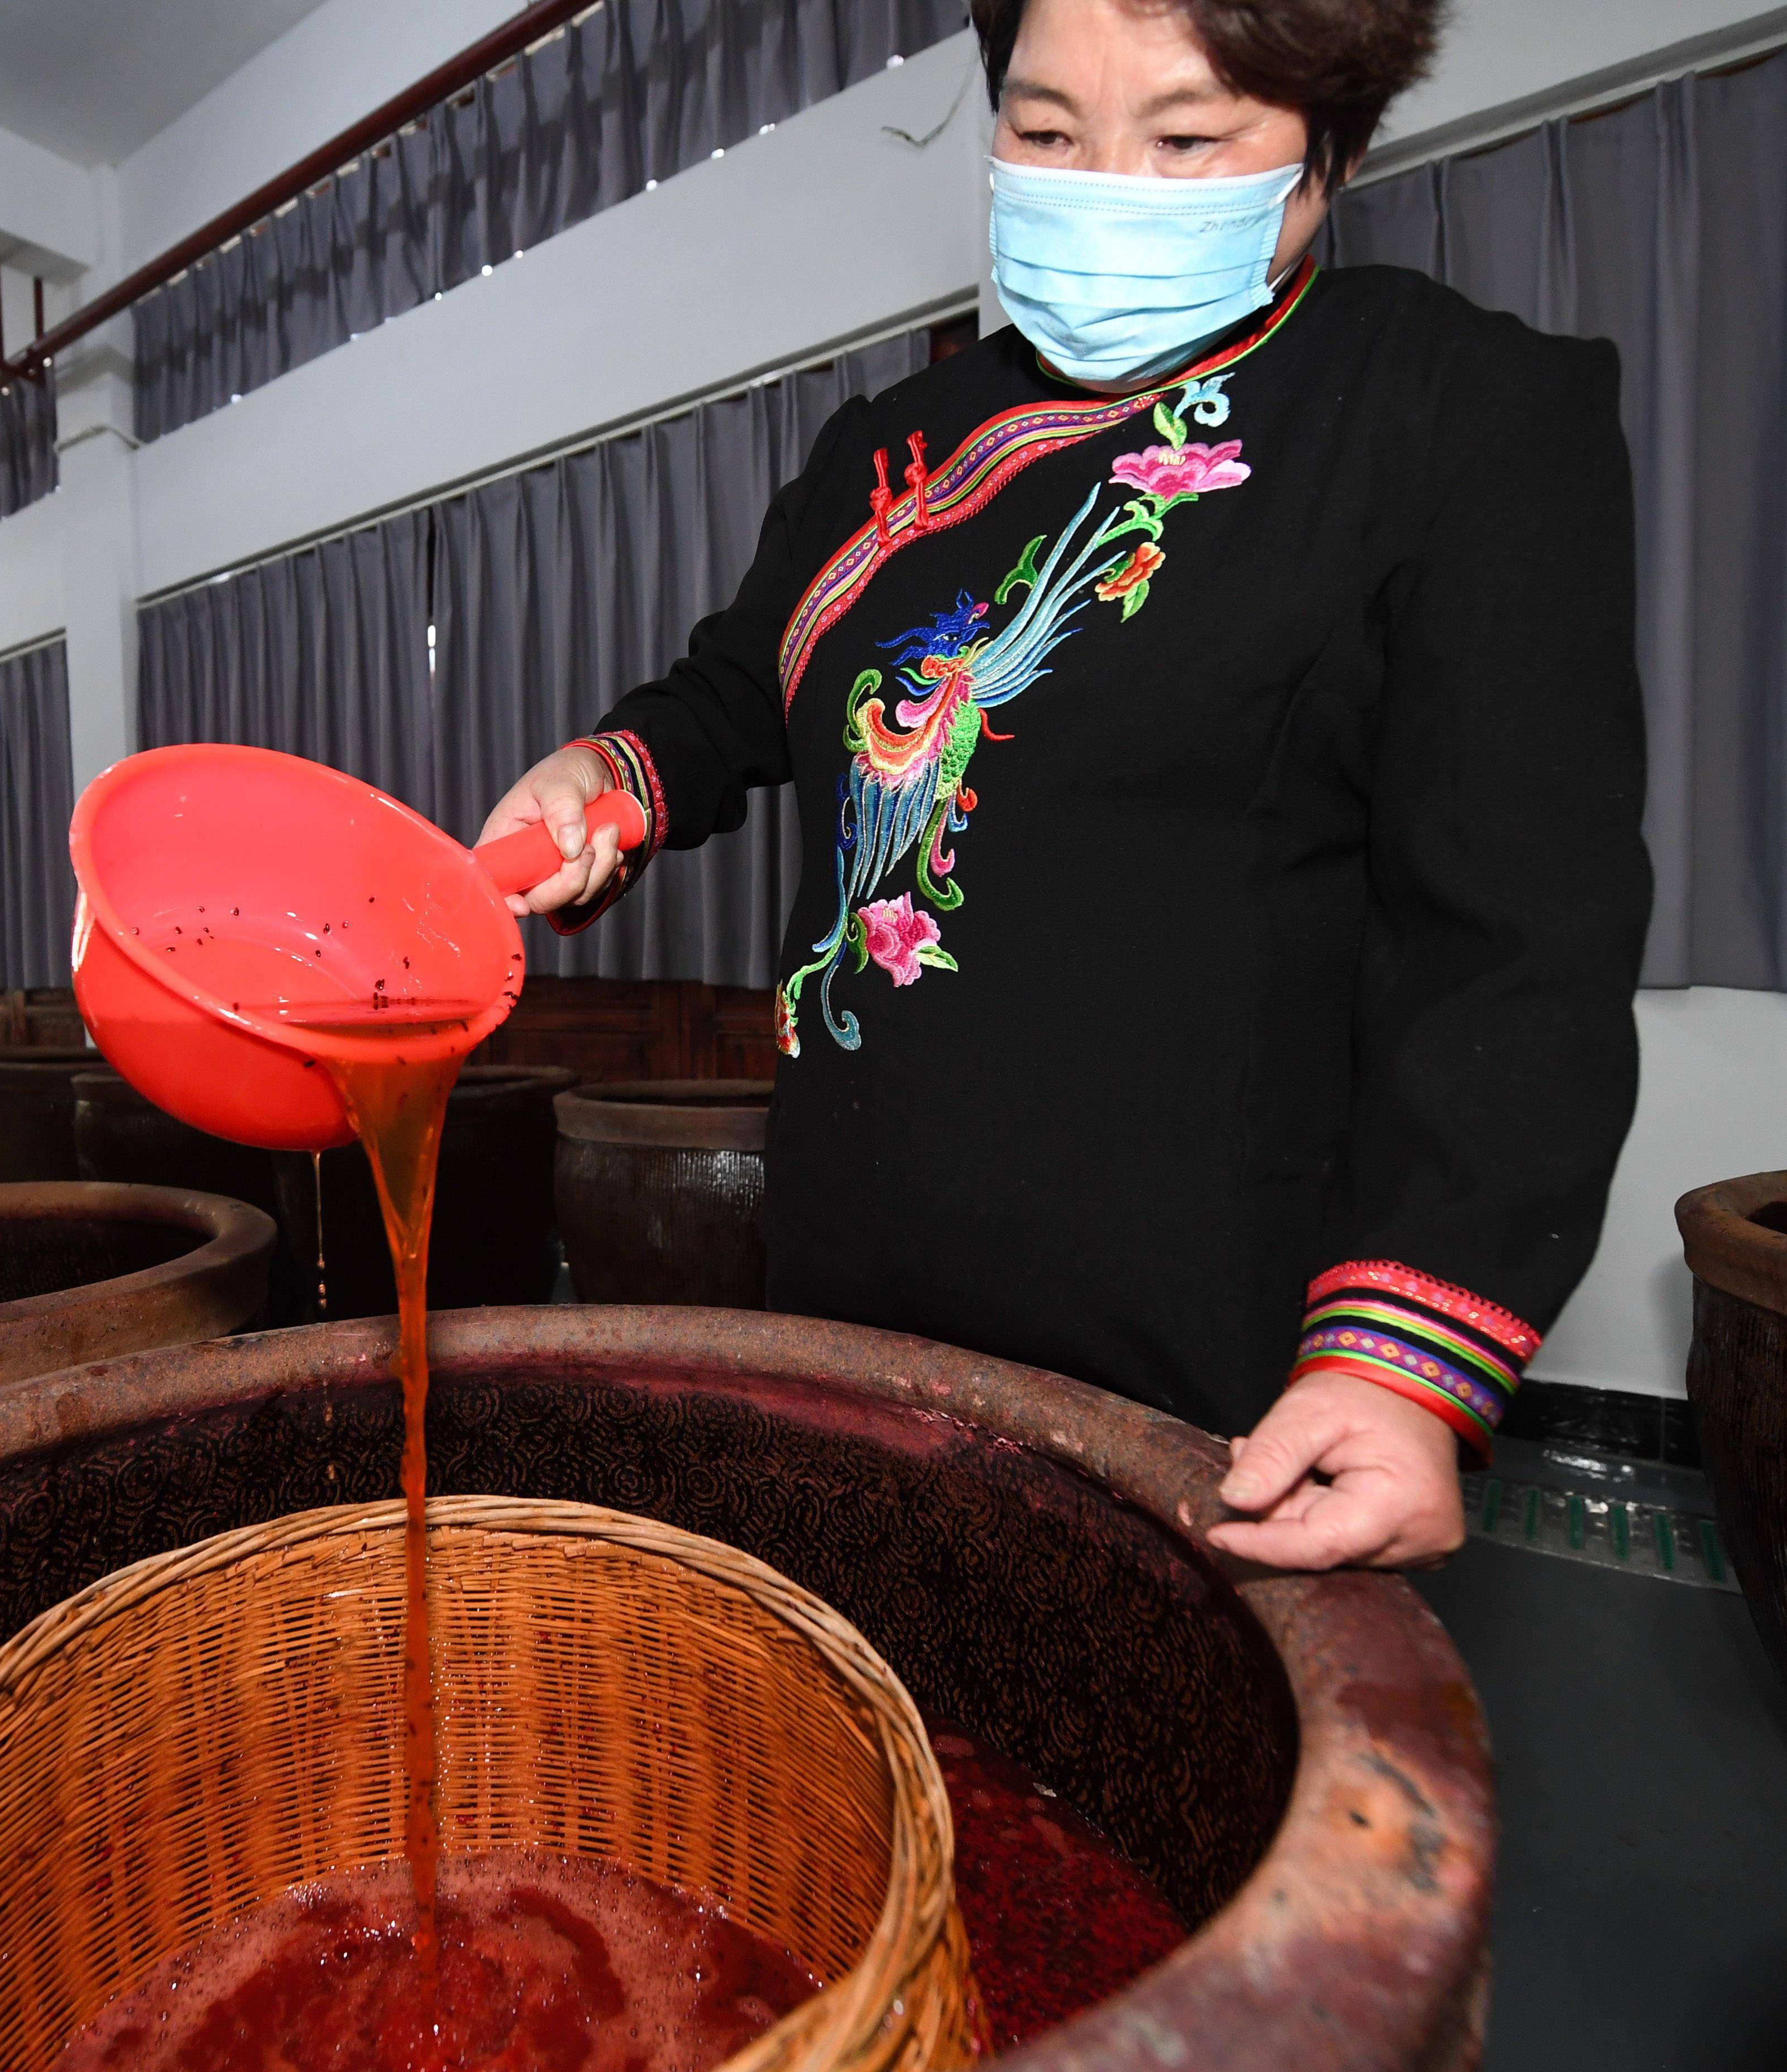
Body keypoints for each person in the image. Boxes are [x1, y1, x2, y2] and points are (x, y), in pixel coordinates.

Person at [478, 0, 1650, 1571]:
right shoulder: (885, 445)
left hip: (1195, 1353)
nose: (1101, 184)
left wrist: (1397, 1364)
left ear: (1332, 153)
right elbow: (738, 691)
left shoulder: (1448, 412)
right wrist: (607, 771)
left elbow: (1517, 935)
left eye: (1184, 139)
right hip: (848, 1283)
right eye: (1043, 133)